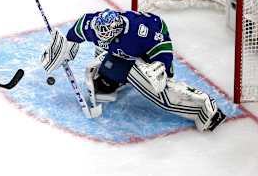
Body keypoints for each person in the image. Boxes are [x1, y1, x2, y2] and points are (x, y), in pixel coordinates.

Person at [41, 8, 227, 132]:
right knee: (103, 77)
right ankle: (114, 80)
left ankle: (205, 109)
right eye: (100, 35)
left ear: (117, 31)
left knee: (160, 88)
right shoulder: (92, 24)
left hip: (153, 42)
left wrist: (161, 67)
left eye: (106, 36)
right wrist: (63, 48)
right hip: (125, 51)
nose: (101, 38)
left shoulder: (139, 32)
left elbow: (161, 43)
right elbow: (74, 35)